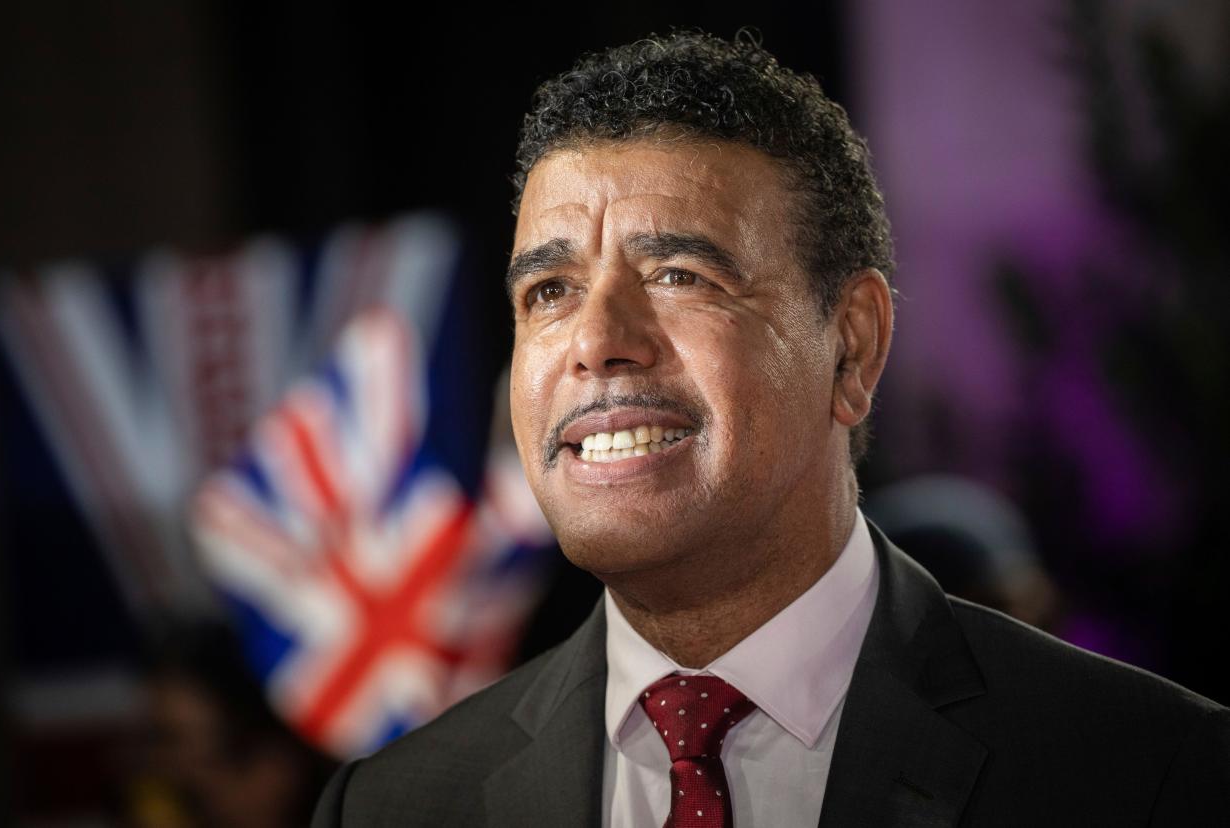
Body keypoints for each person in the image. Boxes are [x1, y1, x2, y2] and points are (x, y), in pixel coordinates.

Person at [312, 29, 1228, 826]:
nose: (593, 343)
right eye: (548, 293)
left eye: (680, 275)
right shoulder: (394, 806)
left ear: (853, 346)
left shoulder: (1152, 775)